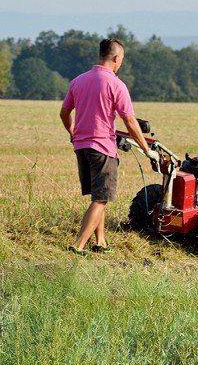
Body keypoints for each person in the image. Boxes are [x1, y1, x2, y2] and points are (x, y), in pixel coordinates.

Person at [59, 38, 159, 255]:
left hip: (81, 147)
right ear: (116, 58)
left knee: (97, 196)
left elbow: (64, 113)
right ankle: (78, 246)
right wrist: (147, 149)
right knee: (102, 199)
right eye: (121, 60)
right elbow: (130, 122)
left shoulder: (78, 81)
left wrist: (72, 132)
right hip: (102, 148)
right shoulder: (116, 85)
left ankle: (101, 242)